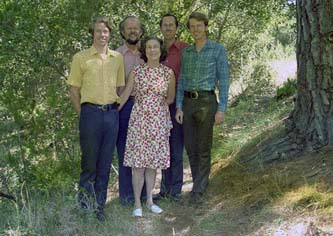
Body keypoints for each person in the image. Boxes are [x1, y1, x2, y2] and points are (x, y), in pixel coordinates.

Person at [67, 16, 125, 221]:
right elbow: (74, 91)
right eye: (98, 31)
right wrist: (84, 115)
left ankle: (100, 207)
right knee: (89, 164)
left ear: (110, 34)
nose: (102, 34)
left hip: (111, 114)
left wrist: (113, 110)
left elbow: (120, 87)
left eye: (105, 31)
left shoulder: (117, 58)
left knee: (105, 162)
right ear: (92, 33)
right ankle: (84, 206)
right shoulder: (80, 58)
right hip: (89, 113)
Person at [175, 12, 229, 204]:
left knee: (203, 146)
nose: (195, 29)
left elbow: (224, 80)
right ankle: (200, 181)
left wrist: (222, 108)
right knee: (190, 146)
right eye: (192, 26)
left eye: (199, 25)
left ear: (206, 26)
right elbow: (181, 80)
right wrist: (179, 107)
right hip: (188, 103)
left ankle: (198, 190)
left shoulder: (217, 50)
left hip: (207, 102)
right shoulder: (187, 52)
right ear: (189, 29)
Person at [119, 36, 175, 217]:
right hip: (139, 121)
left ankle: (150, 201)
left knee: (152, 164)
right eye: (149, 47)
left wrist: (157, 110)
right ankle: (137, 203)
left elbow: (170, 98)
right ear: (145, 50)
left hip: (158, 122)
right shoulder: (137, 71)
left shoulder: (168, 73)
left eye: (155, 47)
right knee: (138, 165)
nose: (152, 50)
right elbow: (126, 94)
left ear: (160, 50)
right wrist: (112, 110)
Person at [154, 13, 188, 201]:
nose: (168, 28)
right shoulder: (154, 49)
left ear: (176, 28)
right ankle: (164, 190)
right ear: (161, 28)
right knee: (162, 148)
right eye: (164, 25)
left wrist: (180, 105)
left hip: (177, 103)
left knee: (175, 146)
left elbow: (186, 78)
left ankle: (175, 190)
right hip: (157, 105)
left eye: (171, 25)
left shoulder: (184, 49)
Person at [116, 15, 145, 205]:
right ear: (122, 32)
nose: (132, 31)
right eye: (129, 28)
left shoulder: (148, 53)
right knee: (125, 150)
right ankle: (126, 196)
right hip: (123, 106)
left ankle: (143, 195)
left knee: (143, 150)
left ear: (141, 31)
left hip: (146, 107)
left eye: (135, 28)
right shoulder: (115, 55)